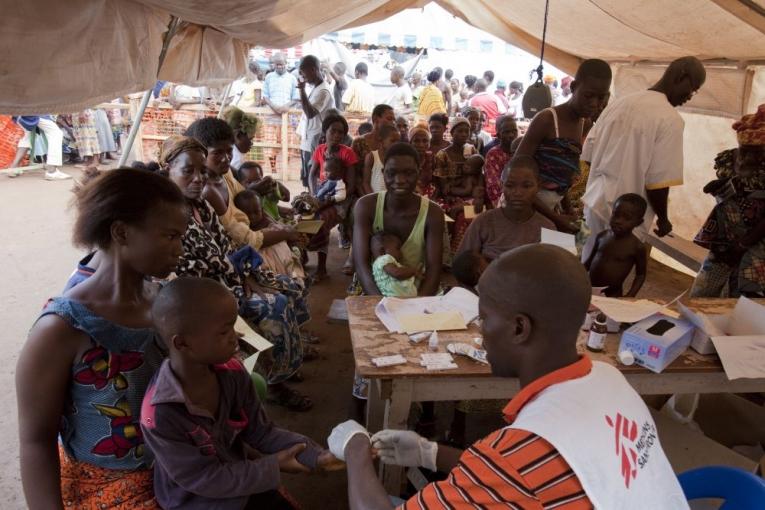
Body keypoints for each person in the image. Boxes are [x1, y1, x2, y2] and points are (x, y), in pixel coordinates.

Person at [329, 244, 689, 510]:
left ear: (519, 328)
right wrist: (431, 453)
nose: (481, 331)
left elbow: (513, 471)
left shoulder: (514, 459)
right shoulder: (608, 378)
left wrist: (357, 451)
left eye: (484, 318)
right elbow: (519, 476)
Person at [16, 168, 188, 509]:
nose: (179, 249)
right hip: (108, 490)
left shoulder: (170, 303)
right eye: (170, 236)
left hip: (181, 468)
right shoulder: (62, 329)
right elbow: (36, 442)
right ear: (121, 232)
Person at [141, 277, 338, 510]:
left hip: (238, 481)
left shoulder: (233, 373)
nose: (236, 337)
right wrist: (272, 466)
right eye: (224, 332)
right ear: (183, 344)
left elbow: (262, 432)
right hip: (194, 501)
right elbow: (204, 478)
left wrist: (315, 455)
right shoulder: (159, 414)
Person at [159, 136, 313, 412]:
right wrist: (232, 286)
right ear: (167, 170)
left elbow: (228, 247)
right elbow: (184, 275)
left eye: (201, 172)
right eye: (187, 171)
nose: (197, 179)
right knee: (272, 309)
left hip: (229, 282)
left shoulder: (202, 207)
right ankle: (266, 385)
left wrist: (248, 276)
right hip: (201, 302)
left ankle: (281, 370)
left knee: (289, 288)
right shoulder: (166, 217)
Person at [581, 56, 706, 260]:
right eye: (693, 88)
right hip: (628, 220)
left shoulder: (618, 104)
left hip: (595, 202)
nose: (690, 96)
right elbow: (657, 182)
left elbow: (588, 156)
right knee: (611, 277)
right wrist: (664, 220)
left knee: (585, 262)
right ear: (682, 76)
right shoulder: (670, 119)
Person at [516, 59, 613, 233]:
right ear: (574, 87)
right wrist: (558, 219)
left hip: (551, 210)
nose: (594, 103)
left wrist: (568, 210)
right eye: (588, 95)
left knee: (570, 251)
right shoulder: (547, 119)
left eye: (601, 97)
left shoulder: (585, 123)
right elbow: (515, 176)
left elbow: (560, 178)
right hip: (523, 211)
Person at [691, 104, 765, 298]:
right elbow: (735, 194)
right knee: (703, 296)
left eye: (756, 153)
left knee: (747, 299)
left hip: (758, 244)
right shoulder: (729, 159)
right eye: (744, 151)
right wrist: (720, 187)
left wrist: (744, 244)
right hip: (725, 240)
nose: (747, 158)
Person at [353, 142, 444, 296]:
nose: (400, 180)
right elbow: (361, 265)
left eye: (408, 173)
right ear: (383, 173)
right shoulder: (366, 206)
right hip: (374, 290)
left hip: (416, 292)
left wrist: (416, 307)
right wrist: (382, 305)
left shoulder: (433, 213)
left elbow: (434, 270)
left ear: (419, 172)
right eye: (392, 173)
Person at [459, 156, 555, 260]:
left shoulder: (547, 228)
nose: (518, 193)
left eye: (526, 186)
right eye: (510, 186)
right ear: (501, 186)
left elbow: (555, 270)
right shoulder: (483, 222)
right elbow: (461, 264)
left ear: (538, 187)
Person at [584, 194, 649, 297]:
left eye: (627, 218)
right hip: (589, 289)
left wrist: (630, 296)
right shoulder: (602, 236)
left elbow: (640, 275)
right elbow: (588, 263)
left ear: (638, 222)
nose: (618, 221)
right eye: (616, 215)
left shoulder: (637, 247)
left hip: (613, 295)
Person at [433, 117, 481, 252]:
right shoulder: (442, 155)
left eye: (467, 131)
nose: (464, 134)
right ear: (452, 133)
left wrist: (477, 194)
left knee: (476, 213)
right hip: (450, 197)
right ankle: (451, 249)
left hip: (469, 195)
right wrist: (454, 193)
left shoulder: (471, 151)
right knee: (454, 215)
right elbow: (444, 188)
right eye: (460, 131)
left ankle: (470, 251)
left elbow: (479, 175)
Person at [234, 190, 306, 280]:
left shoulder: (269, 225)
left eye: (256, 212)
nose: (252, 217)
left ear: (262, 211)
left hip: (281, 261)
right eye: (247, 213)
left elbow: (284, 239)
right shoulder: (242, 231)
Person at [297, 55, 335, 188]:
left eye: (303, 71)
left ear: (313, 69)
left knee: (314, 180)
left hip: (316, 143)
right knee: (308, 179)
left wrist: (301, 91)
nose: (302, 75)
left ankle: (313, 206)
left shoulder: (324, 91)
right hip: (308, 142)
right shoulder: (316, 88)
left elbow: (310, 113)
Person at [6, 115, 71, 180]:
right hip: (32, 113)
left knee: (26, 136)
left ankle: (13, 168)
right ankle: (52, 171)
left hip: (20, 114)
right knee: (55, 132)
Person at [309, 114, 358, 191]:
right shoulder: (319, 150)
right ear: (325, 131)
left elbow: (351, 185)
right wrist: (313, 193)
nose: (336, 135)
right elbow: (312, 174)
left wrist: (335, 199)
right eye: (333, 131)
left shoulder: (348, 153)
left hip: (341, 193)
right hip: (322, 190)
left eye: (340, 132)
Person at [483, 116, 518, 207]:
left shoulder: (521, 151)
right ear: (498, 136)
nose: (511, 135)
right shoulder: (493, 154)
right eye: (506, 132)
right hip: (504, 200)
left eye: (514, 131)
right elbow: (494, 186)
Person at [370, 232, 419, 298]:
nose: (401, 252)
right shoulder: (384, 258)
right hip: (397, 297)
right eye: (398, 248)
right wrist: (413, 271)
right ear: (383, 251)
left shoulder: (376, 265)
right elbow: (397, 273)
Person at [361, 124, 400, 195]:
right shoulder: (372, 157)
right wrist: (374, 199)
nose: (396, 144)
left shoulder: (398, 159)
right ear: (381, 141)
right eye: (393, 141)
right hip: (375, 198)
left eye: (398, 141)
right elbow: (366, 183)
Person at [222, 106, 260, 170]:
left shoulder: (227, 150)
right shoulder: (237, 160)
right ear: (238, 136)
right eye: (250, 139)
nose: (252, 143)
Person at [408, 123, 435, 197]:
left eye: (425, 141)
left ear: (429, 143)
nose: (421, 145)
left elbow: (437, 184)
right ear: (410, 143)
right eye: (416, 141)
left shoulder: (432, 159)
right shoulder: (406, 161)